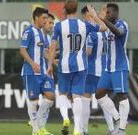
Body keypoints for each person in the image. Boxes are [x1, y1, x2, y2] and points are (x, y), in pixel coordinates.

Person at [47, 1, 107, 135]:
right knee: (77, 96)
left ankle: (66, 118)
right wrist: (95, 16)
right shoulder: (84, 25)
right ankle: (77, 129)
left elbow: (52, 48)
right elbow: (103, 27)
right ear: (76, 10)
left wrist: (50, 64)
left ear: (64, 11)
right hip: (81, 65)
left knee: (62, 94)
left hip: (64, 65)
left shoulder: (58, 26)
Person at [95, 3, 130, 135]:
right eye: (106, 12)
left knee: (122, 96)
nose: (107, 14)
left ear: (115, 13)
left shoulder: (122, 24)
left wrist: (103, 19)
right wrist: (95, 15)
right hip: (108, 68)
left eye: (108, 13)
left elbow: (119, 32)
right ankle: (118, 119)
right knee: (99, 94)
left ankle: (121, 130)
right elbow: (99, 24)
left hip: (119, 67)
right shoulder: (106, 26)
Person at [20, 7, 55, 135]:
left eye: (47, 18)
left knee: (50, 97)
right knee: (33, 101)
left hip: (43, 72)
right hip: (30, 71)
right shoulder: (28, 31)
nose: (46, 21)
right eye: (44, 18)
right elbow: (22, 50)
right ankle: (36, 130)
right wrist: (32, 63)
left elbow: (44, 52)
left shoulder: (42, 33)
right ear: (37, 18)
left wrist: (50, 64)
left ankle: (36, 123)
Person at [81, 6, 114, 135]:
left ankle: (84, 130)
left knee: (85, 99)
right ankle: (112, 128)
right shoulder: (107, 32)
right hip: (105, 70)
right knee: (103, 99)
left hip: (91, 70)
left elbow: (88, 52)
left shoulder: (92, 33)